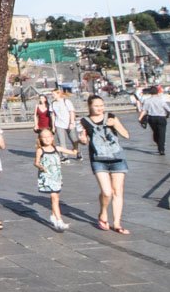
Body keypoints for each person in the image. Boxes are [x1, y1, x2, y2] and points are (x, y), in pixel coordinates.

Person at [78, 95, 132, 235]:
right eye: (96, 106)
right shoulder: (84, 121)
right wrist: (82, 139)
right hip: (98, 159)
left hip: (117, 158)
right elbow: (84, 140)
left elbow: (126, 134)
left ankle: (117, 223)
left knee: (117, 191)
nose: (100, 108)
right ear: (89, 106)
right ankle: (103, 212)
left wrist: (115, 125)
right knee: (107, 192)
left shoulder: (111, 117)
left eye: (101, 105)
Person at [34, 128, 73, 231]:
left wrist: (76, 143)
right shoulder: (40, 150)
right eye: (44, 137)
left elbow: (72, 152)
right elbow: (36, 162)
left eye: (49, 137)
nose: (47, 139)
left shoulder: (57, 148)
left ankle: (53, 216)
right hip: (47, 176)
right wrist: (40, 167)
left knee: (56, 197)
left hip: (57, 176)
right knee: (54, 197)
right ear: (40, 139)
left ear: (52, 138)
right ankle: (60, 221)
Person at [138, 86, 170, 155]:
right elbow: (169, 110)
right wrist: (167, 115)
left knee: (155, 132)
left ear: (150, 92)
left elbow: (144, 110)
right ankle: (161, 149)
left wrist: (140, 118)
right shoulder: (161, 100)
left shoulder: (147, 100)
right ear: (157, 92)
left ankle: (159, 144)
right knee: (162, 133)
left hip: (152, 118)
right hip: (161, 118)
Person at [49, 89, 80, 159]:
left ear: (58, 94)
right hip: (59, 124)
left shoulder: (66, 101)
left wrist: (71, 122)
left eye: (53, 94)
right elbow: (52, 115)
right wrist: (53, 126)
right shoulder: (52, 103)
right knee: (61, 141)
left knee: (73, 139)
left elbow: (71, 112)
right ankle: (64, 156)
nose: (52, 96)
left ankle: (77, 152)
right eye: (52, 94)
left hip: (68, 123)